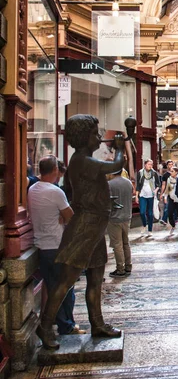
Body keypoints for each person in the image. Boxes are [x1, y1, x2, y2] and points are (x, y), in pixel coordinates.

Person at [36, 114, 126, 350]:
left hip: (96, 225)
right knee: (66, 280)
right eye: (95, 133)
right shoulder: (82, 161)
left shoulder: (83, 160)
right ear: (84, 137)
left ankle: (97, 323)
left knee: (96, 278)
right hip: (85, 226)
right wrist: (119, 148)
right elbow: (116, 166)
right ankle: (45, 326)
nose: (98, 137)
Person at [28, 155, 84, 336]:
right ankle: (66, 325)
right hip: (57, 245)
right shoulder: (55, 192)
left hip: (42, 246)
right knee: (66, 288)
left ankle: (55, 322)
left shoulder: (33, 189)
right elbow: (71, 218)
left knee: (53, 287)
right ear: (54, 171)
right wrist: (62, 217)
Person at [107, 169, 133, 277]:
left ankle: (120, 269)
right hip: (127, 216)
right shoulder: (128, 182)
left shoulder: (109, 184)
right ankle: (128, 266)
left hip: (114, 218)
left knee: (117, 244)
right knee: (126, 242)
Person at [136, 159, 160, 237]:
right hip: (142, 195)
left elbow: (158, 184)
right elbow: (138, 185)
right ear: (145, 164)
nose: (150, 166)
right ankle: (144, 224)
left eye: (151, 164)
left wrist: (156, 190)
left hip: (151, 195)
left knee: (150, 213)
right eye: (149, 164)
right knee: (142, 212)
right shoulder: (140, 172)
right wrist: (136, 196)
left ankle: (150, 230)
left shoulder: (154, 173)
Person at [165, 166, 178, 234]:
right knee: (170, 213)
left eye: (172, 171)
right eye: (170, 171)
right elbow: (168, 188)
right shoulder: (169, 179)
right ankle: (173, 225)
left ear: (176, 172)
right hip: (171, 198)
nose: (170, 172)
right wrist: (165, 197)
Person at [159, 160, 175, 226]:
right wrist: (161, 193)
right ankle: (164, 219)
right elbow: (163, 184)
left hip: (174, 192)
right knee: (167, 206)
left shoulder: (175, 173)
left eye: (171, 164)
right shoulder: (165, 175)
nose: (170, 166)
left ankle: (172, 219)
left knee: (172, 207)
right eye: (169, 164)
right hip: (167, 192)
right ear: (167, 165)